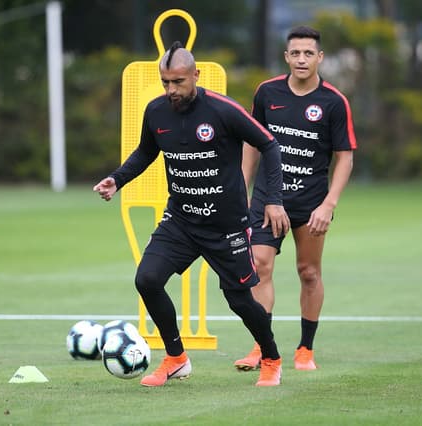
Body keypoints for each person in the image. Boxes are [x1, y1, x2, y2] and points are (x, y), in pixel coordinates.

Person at [94, 41, 290, 387]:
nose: (171, 90)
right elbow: (145, 152)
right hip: (181, 220)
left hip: (225, 225)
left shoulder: (223, 110)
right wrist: (117, 179)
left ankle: (271, 357)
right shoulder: (156, 112)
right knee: (147, 279)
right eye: (166, 82)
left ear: (195, 75)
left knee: (238, 299)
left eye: (178, 82)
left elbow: (269, 144)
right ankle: (176, 358)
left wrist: (273, 199)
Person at [234, 26, 357, 372]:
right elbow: (251, 143)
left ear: (320, 58)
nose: (301, 59)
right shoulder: (266, 93)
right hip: (266, 198)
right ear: (286, 56)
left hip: (310, 203)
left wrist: (328, 204)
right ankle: (261, 347)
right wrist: (242, 189)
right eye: (295, 53)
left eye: (308, 53)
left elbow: (344, 157)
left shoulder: (334, 102)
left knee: (309, 272)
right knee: (259, 266)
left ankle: (305, 348)